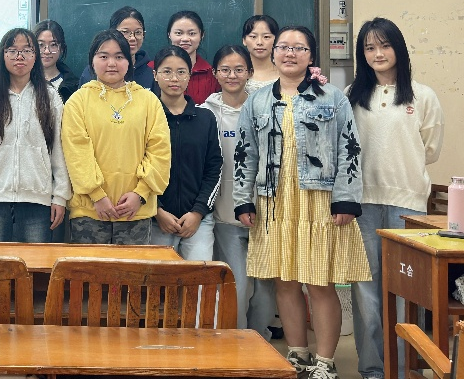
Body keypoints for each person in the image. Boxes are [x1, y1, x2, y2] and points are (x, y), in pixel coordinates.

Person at [234, 25, 370, 379]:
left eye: (299, 48)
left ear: (311, 56)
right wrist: (243, 200)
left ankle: (325, 362)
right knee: (285, 281)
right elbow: (245, 153)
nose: (289, 53)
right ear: (274, 53)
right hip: (274, 203)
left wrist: (346, 199)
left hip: (320, 202)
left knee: (320, 282)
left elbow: (350, 148)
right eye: (283, 47)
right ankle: (298, 354)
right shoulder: (258, 100)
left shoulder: (332, 97)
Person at [347, 18, 444, 379]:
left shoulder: (423, 95)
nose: (378, 53)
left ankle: (403, 370)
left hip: (408, 205)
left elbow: (430, 150)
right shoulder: (352, 96)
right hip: (362, 203)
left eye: (384, 45)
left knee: (406, 291)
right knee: (366, 290)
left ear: (398, 49)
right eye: (369, 47)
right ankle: (373, 369)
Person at [62, 29, 171, 244]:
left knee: (132, 268)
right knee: (87, 268)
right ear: (92, 61)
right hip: (89, 212)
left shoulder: (148, 101)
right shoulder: (78, 101)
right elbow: (76, 153)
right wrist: (97, 195)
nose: (111, 63)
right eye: (103, 56)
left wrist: (140, 193)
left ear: (129, 61)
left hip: (135, 212)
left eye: (119, 57)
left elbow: (160, 151)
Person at [0, 28, 71, 242]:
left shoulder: (50, 96)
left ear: (35, 56)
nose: (19, 56)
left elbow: (59, 149)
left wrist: (60, 195)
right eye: (12, 50)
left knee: (35, 261)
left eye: (27, 51)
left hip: (37, 198)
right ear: (2, 55)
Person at [200, 44, 276, 339]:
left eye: (239, 69)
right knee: (238, 285)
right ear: (215, 73)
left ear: (249, 72)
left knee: (266, 287)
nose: (232, 75)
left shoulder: (266, 108)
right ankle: (239, 344)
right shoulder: (205, 113)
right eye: (225, 69)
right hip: (226, 214)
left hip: (266, 211)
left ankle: (260, 341)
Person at [149, 46, 223, 259]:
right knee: (158, 280)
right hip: (156, 220)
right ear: (155, 75)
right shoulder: (146, 116)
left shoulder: (205, 118)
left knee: (199, 279)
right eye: (167, 71)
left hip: (198, 220)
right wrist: (157, 211)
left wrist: (198, 212)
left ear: (190, 75)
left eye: (181, 72)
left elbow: (214, 169)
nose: (174, 78)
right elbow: (135, 167)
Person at [152, 10, 219, 104]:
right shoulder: (150, 69)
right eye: (179, 33)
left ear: (202, 35)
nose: (185, 39)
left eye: (192, 33)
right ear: (169, 34)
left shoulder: (212, 75)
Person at [78, 6, 154, 89]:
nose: (132, 38)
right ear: (112, 33)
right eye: (125, 32)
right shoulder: (93, 71)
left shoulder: (151, 71)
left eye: (138, 32)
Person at [33, 19, 79, 102]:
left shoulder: (73, 87)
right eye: (40, 45)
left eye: (53, 45)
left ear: (61, 48)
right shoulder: (22, 81)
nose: (47, 51)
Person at [243, 14, 280, 92]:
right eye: (253, 37)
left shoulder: (285, 72)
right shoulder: (236, 73)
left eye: (266, 37)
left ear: (277, 40)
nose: (259, 42)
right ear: (244, 40)